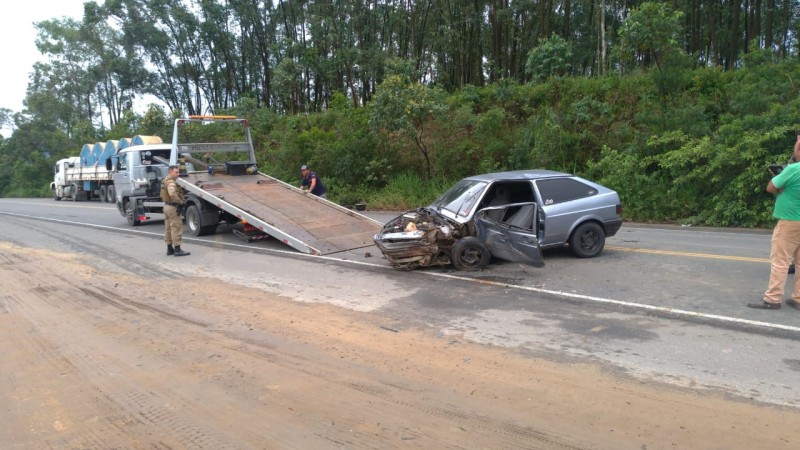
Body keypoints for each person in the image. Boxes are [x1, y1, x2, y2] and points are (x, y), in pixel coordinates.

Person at [748, 135, 800, 310]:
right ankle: (798, 298)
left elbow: (771, 187)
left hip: (790, 221)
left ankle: (773, 299)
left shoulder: (793, 169)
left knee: (780, 261)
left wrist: (780, 178)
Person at [160, 165, 190, 257]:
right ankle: (177, 249)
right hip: (173, 207)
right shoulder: (171, 182)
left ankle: (169, 248)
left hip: (166, 206)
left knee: (168, 228)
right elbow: (172, 193)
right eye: (176, 172)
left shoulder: (164, 181)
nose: (178, 174)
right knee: (176, 227)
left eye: (178, 172)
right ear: (170, 172)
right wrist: (180, 202)